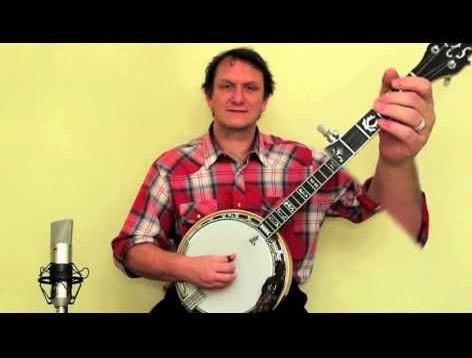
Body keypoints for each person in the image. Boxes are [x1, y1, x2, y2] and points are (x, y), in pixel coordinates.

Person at [111, 47, 433, 314]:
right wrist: (186, 268)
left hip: (279, 307)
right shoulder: (173, 167)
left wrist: (394, 159)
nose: (238, 97)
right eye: (226, 86)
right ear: (209, 97)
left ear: (265, 101)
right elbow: (129, 249)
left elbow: (366, 205)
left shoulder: (307, 165)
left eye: (251, 88)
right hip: (191, 306)